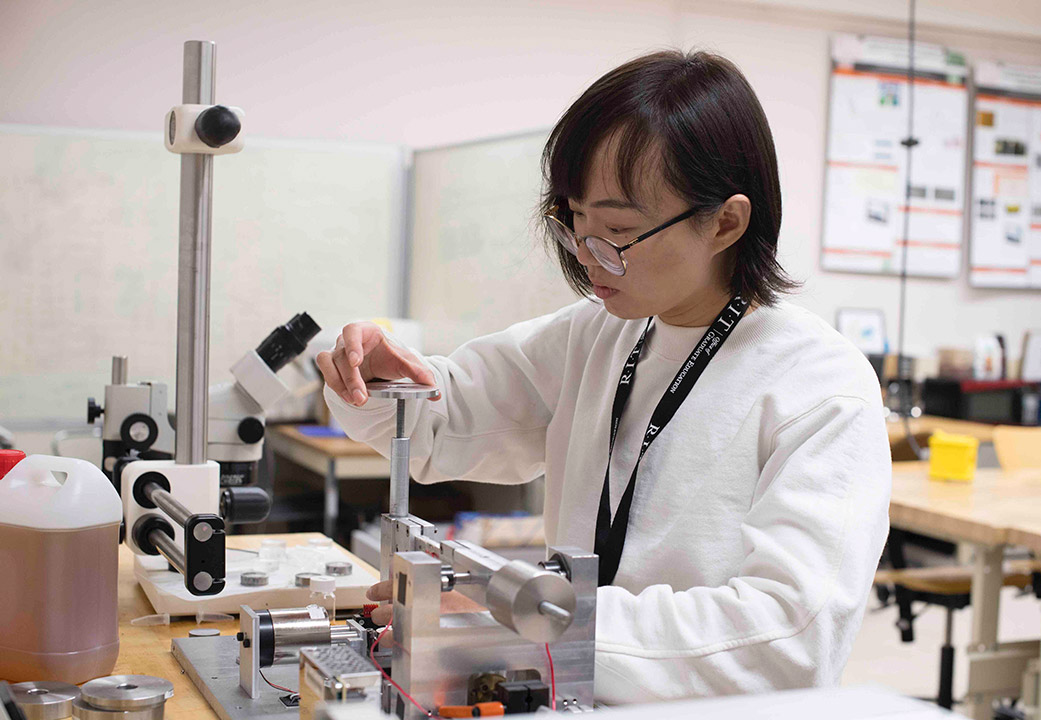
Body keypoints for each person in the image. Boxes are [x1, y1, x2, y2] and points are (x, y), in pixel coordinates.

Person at [317, 50, 890, 704]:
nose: (590, 260)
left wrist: (526, 615)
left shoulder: (817, 385)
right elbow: (444, 423)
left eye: (617, 232)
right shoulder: (602, 332)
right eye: (573, 224)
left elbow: (787, 640)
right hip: (567, 691)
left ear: (726, 222)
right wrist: (375, 377)